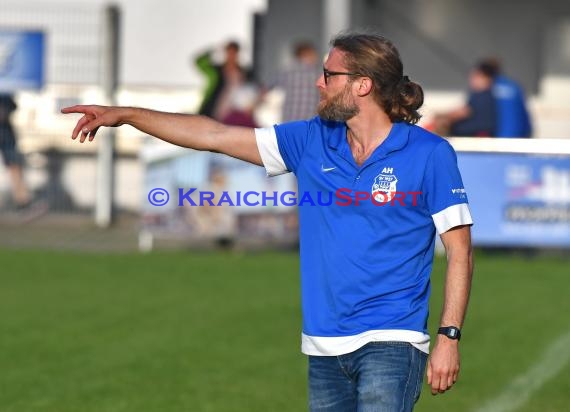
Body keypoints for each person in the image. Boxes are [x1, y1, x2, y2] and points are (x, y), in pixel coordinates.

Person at [62, 31, 474, 411]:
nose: (318, 82)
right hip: (323, 344)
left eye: (329, 74)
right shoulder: (311, 139)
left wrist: (448, 338)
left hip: (394, 340)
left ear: (362, 85)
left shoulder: (429, 154)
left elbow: (459, 252)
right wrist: (126, 114)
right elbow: (214, 135)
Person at [432, 61, 497, 137]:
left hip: (475, 135)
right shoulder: (485, 95)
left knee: (440, 124)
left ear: (485, 78)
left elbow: (463, 112)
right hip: (473, 133)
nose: (471, 80)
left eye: (475, 77)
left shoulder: (482, 96)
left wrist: (444, 117)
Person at [194, 40, 252, 122]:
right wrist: (213, 50)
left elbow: (249, 92)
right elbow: (198, 62)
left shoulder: (244, 73)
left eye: (234, 53)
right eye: (229, 52)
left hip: (232, 115)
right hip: (211, 112)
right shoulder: (216, 70)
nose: (231, 56)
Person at [271, 41, 321, 122]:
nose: (316, 57)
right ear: (305, 54)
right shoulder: (319, 73)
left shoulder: (286, 70)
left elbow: (271, 86)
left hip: (290, 121)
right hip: (310, 123)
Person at [483, 57, 532, 138]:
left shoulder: (488, 87)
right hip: (518, 138)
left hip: (497, 140)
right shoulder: (515, 86)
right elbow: (525, 116)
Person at [0, 93, 30, 208]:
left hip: (6, 136)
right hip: (6, 135)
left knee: (15, 167)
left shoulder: (4, 91)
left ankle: (22, 201)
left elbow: (12, 106)